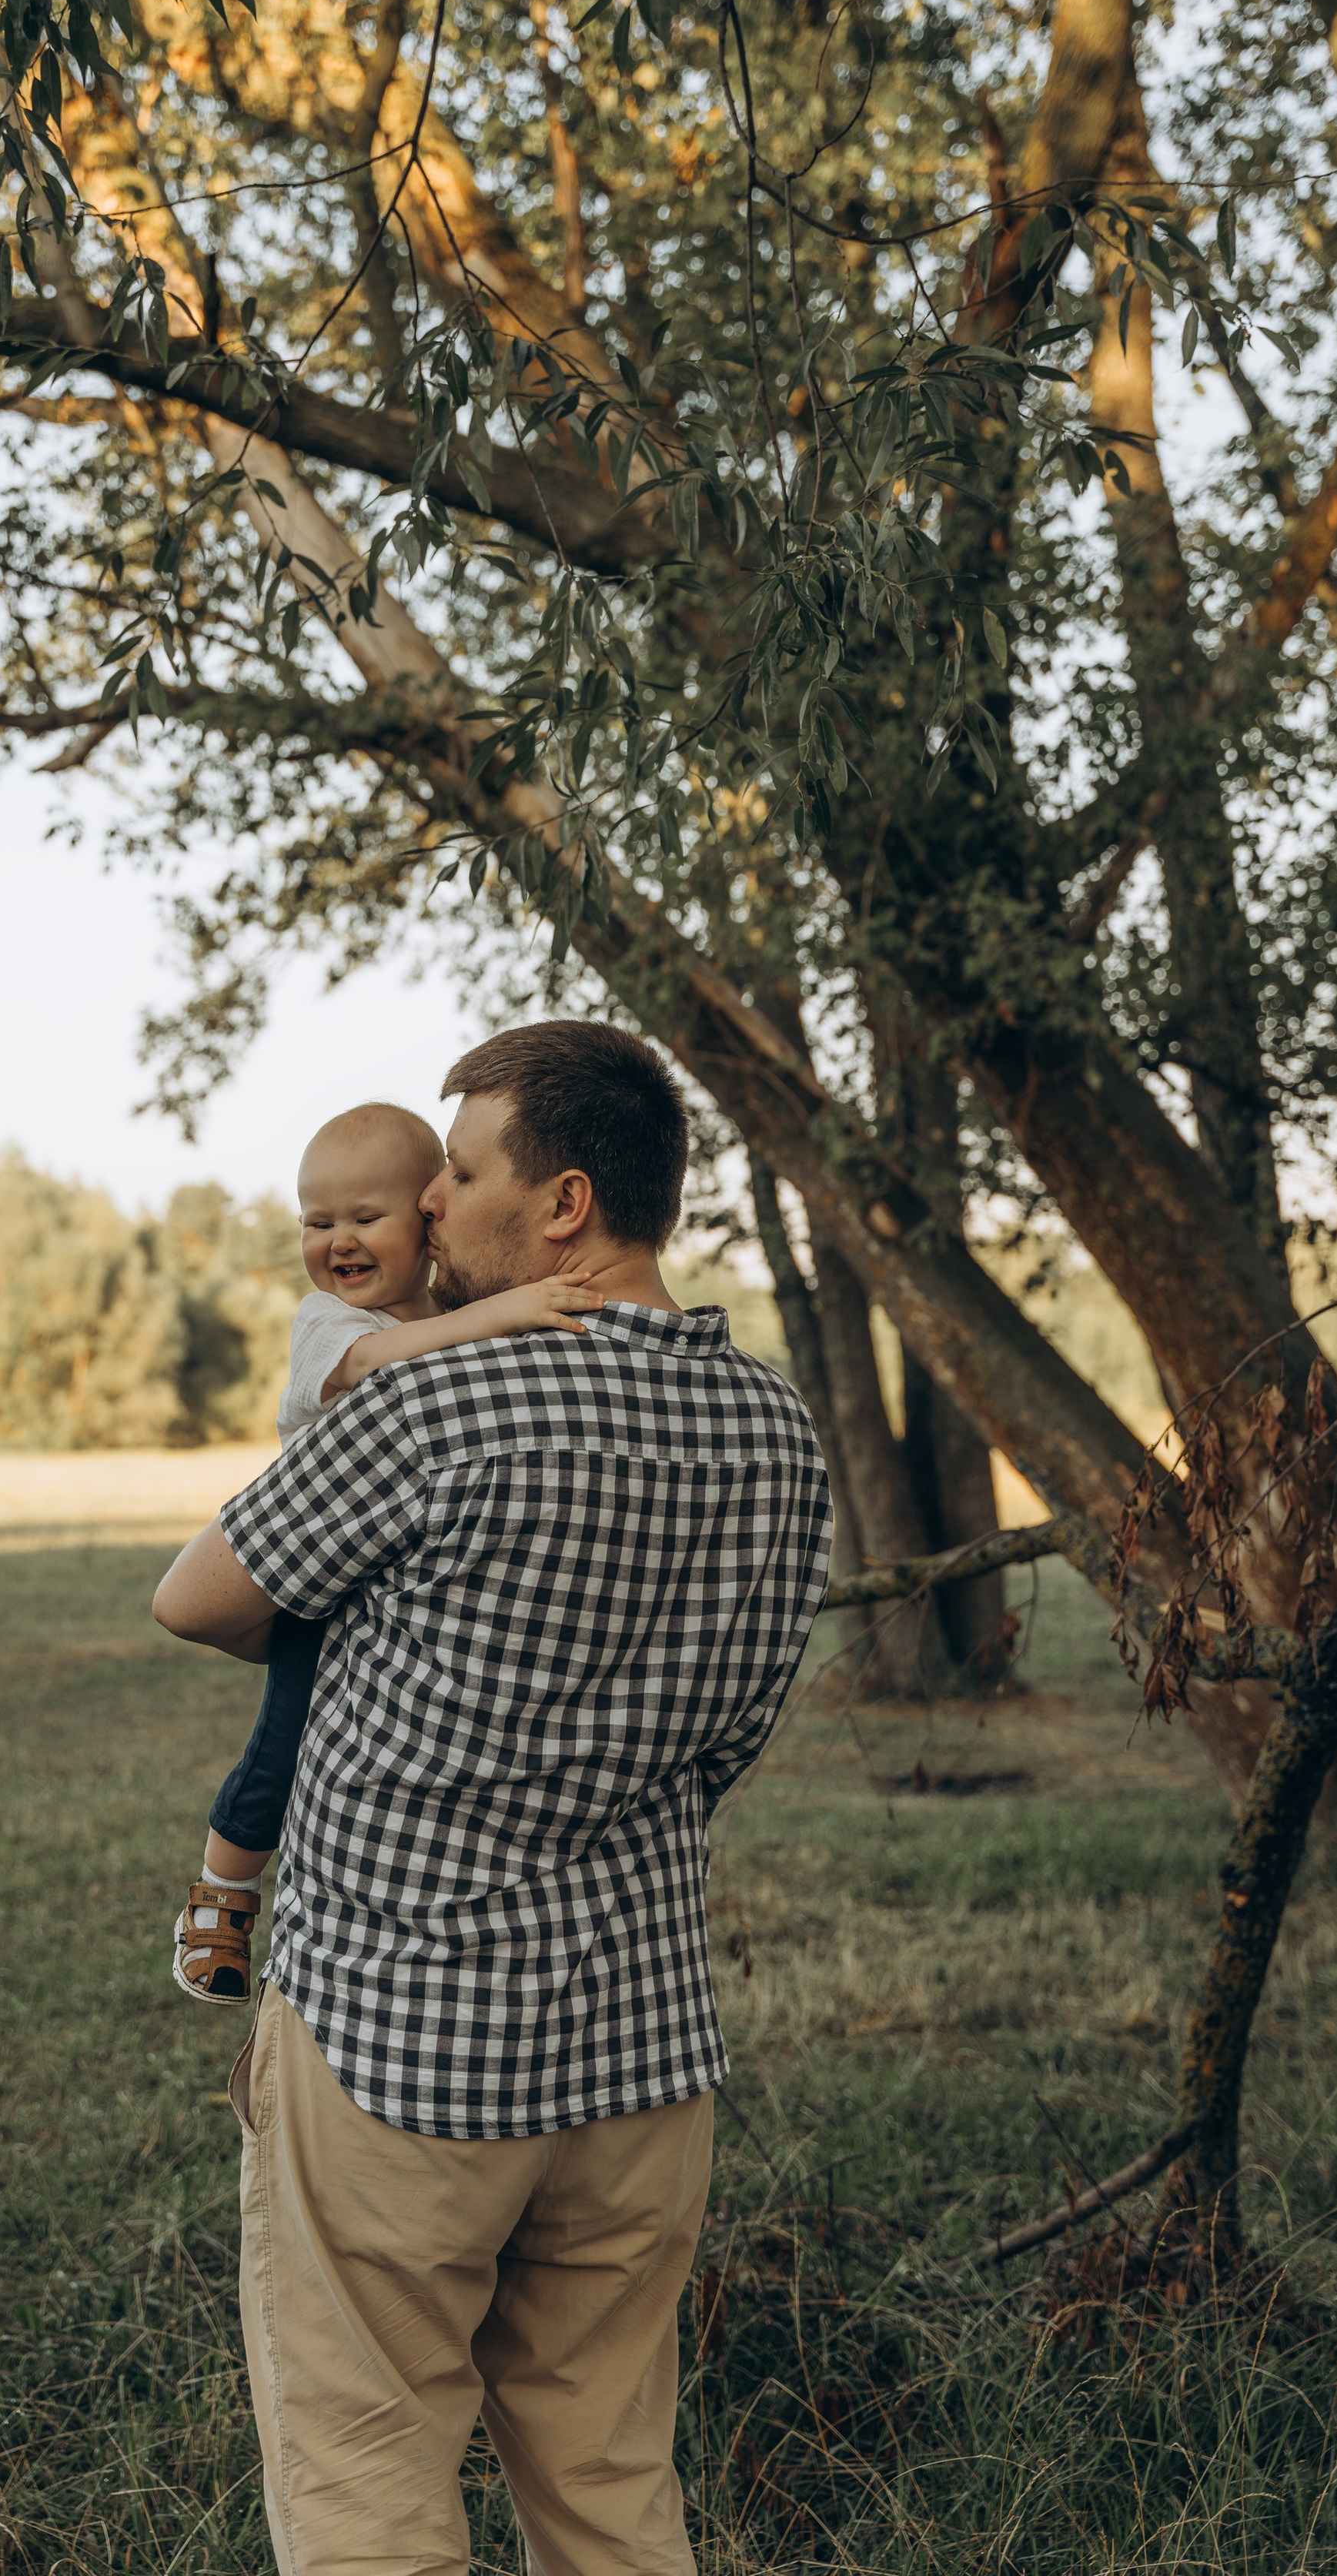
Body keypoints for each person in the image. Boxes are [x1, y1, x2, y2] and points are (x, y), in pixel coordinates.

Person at [153, 1020, 831, 2576]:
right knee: (608, 2478)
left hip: (399, 2042)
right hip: (638, 2046)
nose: (430, 1207)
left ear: (565, 1203)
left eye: (457, 1175)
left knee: (367, 2476)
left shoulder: (435, 1405)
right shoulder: (776, 1433)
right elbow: (729, 1739)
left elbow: (196, 1598)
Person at [173, 1098, 603, 2005]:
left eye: (366, 1217)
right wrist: (510, 1311)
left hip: (408, 1572)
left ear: (427, 1219)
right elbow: (380, 1366)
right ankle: (221, 1892)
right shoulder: (331, 1322)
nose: (338, 1241)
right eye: (316, 1221)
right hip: (316, 1571)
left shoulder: (455, 1308)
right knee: (283, 1741)